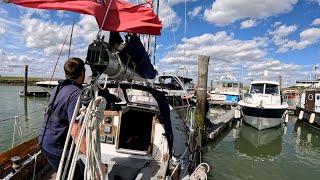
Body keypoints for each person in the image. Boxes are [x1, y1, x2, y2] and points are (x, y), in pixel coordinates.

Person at [39, 57, 86, 177]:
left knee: (68, 171)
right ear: (82, 73)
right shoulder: (76, 93)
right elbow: (75, 131)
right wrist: (96, 161)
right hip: (57, 148)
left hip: (44, 142)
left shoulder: (58, 88)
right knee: (75, 176)